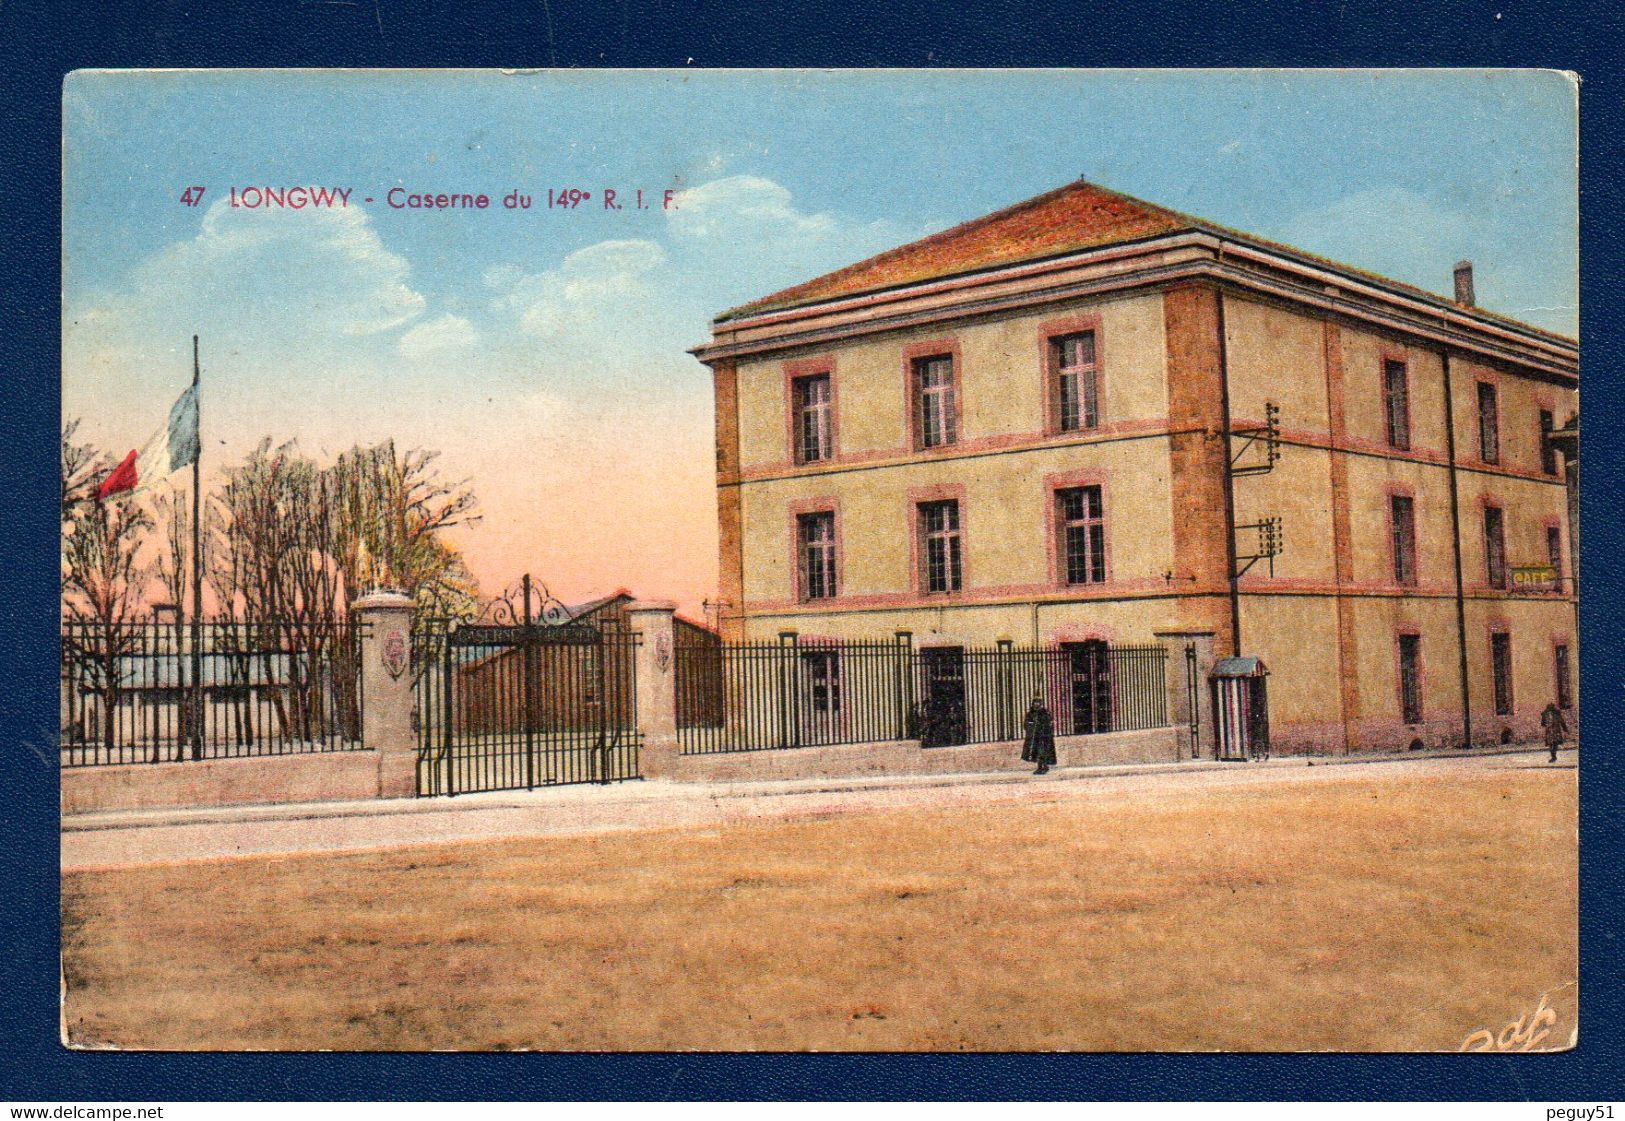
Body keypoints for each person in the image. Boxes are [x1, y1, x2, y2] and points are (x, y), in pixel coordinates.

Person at [1022, 692, 1056, 775]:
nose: (1036, 704)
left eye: (1038, 702)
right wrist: (1031, 726)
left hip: (1043, 737)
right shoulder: (1030, 713)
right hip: (1035, 737)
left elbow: (1049, 723)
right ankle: (1042, 767)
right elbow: (1026, 724)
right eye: (1035, 702)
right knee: (1037, 753)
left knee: (1042, 752)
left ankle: (1042, 767)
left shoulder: (1044, 712)